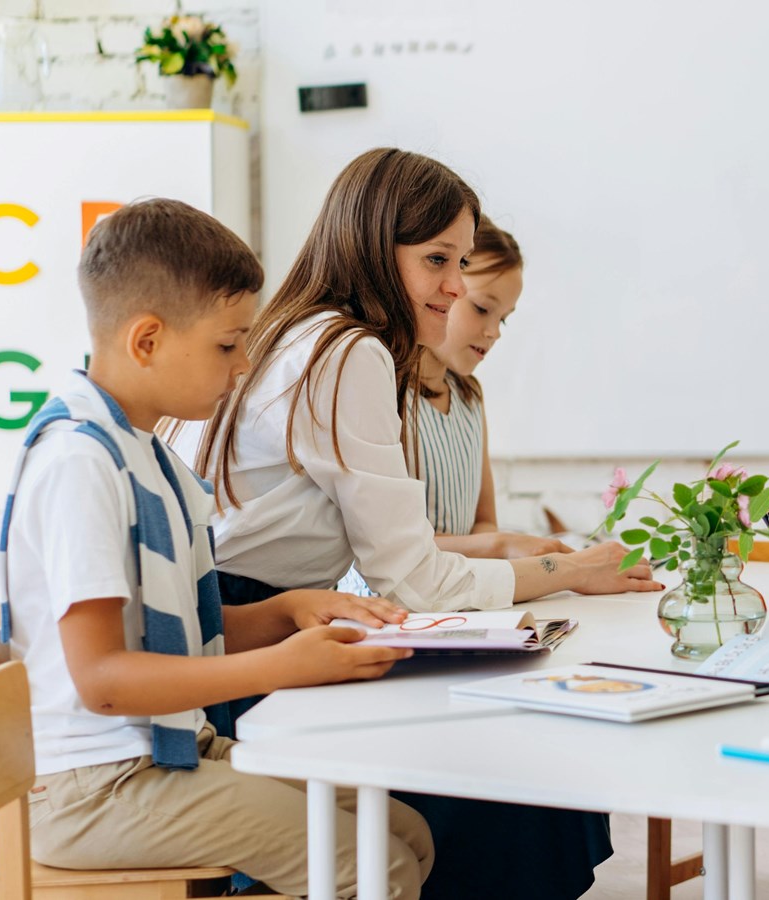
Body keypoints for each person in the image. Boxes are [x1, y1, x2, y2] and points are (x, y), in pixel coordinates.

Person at [175, 148, 648, 899]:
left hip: (258, 628)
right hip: (255, 655)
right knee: (514, 778)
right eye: (437, 260)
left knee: (510, 759)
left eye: (461, 262)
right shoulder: (351, 352)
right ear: (371, 243)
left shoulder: (305, 332)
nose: (456, 288)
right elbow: (417, 580)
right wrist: (571, 571)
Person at [2, 198, 432, 899]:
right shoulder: (81, 464)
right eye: (227, 346)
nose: (242, 367)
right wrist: (281, 664)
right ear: (147, 341)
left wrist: (289, 611)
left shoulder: (144, 453)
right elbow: (104, 680)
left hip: (161, 750)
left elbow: (177, 638)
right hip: (95, 787)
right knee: (372, 869)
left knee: (407, 832)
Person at [336, 214, 565, 601]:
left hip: (460, 597)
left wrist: (498, 548)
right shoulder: (382, 390)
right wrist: (502, 547)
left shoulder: (469, 398)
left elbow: (484, 520)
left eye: (503, 320)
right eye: (481, 309)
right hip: (388, 607)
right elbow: (386, 551)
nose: (492, 332)